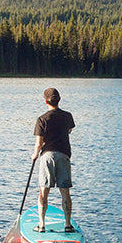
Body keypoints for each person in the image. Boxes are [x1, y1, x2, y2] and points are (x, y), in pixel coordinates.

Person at [32, 87, 75, 233]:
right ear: (59, 100)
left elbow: (39, 143)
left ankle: (41, 225)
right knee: (65, 192)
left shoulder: (42, 119)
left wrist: (34, 154)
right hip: (63, 155)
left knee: (44, 191)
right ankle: (67, 225)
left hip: (47, 156)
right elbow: (69, 130)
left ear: (45, 101)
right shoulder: (68, 116)